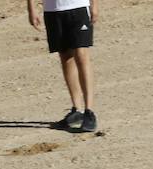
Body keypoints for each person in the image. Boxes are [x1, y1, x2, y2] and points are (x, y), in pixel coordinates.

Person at [27, 0, 99, 132]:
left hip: (78, 7)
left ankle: (89, 111)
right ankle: (76, 110)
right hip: (52, 10)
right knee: (65, 57)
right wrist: (31, 8)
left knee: (82, 54)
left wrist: (95, 5)